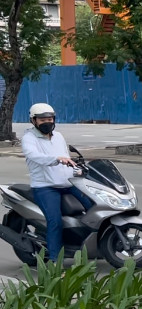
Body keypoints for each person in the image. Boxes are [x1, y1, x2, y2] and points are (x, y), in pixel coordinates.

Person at [21, 103, 95, 262]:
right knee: (55, 221)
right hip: (45, 187)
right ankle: (55, 261)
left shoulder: (59, 136)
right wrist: (56, 159)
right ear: (33, 121)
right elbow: (34, 156)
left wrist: (77, 171)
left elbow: (66, 160)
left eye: (50, 118)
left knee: (94, 207)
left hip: (68, 184)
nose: (47, 122)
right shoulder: (29, 138)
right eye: (42, 119)